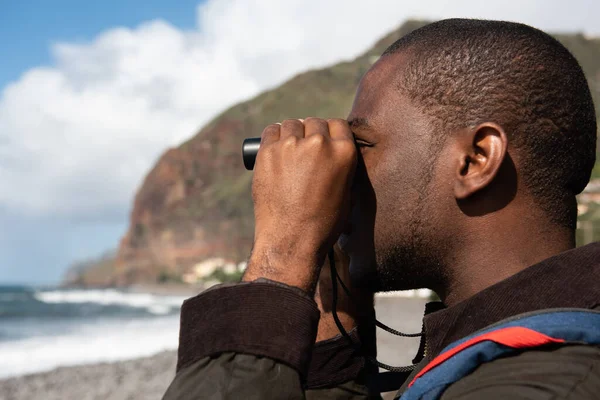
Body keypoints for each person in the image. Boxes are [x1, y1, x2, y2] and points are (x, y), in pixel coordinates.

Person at [163, 19, 600, 399]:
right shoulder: (515, 352)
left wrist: (281, 258)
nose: (343, 174)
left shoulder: (546, 385)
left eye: (362, 146)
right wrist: (333, 315)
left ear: (474, 161)